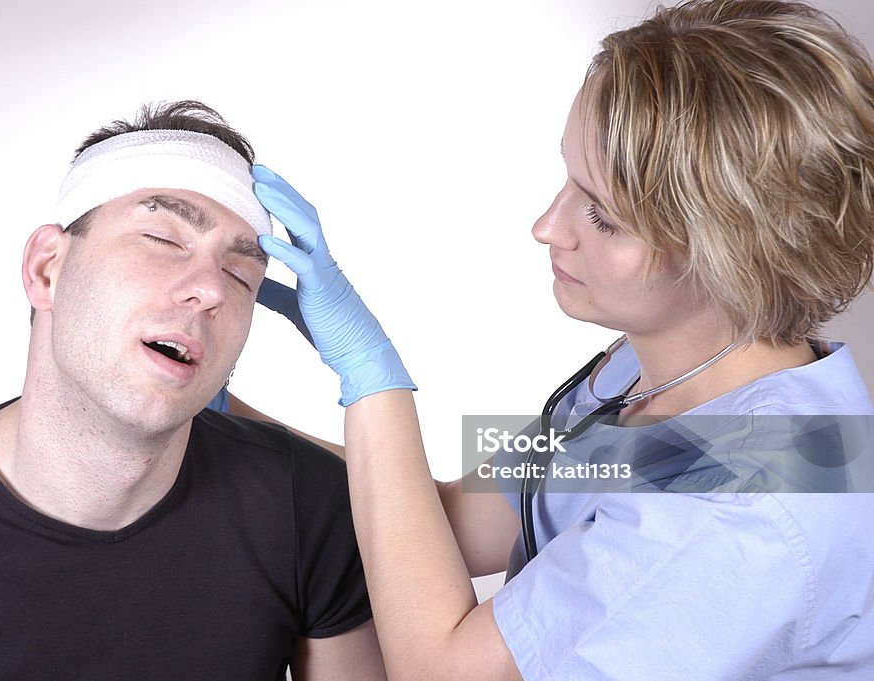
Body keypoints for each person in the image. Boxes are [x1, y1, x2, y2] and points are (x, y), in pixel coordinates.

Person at [246, 1, 874, 678]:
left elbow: (439, 669)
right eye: (569, 178)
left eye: (601, 215)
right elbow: (449, 519)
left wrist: (375, 380)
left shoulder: (744, 503)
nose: (548, 225)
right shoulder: (652, 365)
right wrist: (225, 420)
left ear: (730, 256)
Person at [0, 101, 385, 680]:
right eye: (161, 238)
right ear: (47, 269)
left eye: (240, 274)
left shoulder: (308, 505)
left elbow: (475, 515)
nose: (210, 289)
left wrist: (377, 384)